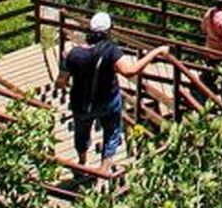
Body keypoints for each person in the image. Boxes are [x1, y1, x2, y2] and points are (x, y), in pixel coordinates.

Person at [55, 12, 169, 174]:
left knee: (81, 132)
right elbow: (130, 71)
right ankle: (103, 170)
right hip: (108, 102)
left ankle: (82, 163)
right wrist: (155, 52)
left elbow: (60, 83)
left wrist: (65, 65)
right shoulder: (111, 51)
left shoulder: (73, 54)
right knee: (112, 133)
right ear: (108, 31)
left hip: (81, 103)